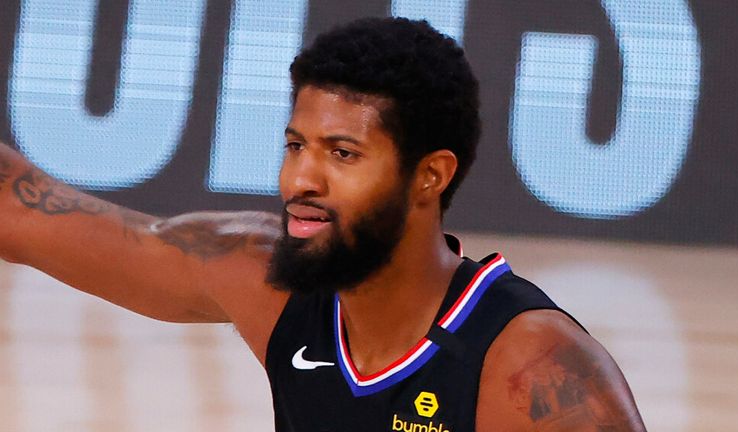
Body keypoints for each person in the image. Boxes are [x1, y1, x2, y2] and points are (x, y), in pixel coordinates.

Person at [0, 17, 645, 431]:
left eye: (343, 154)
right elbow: (22, 210)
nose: (301, 181)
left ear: (431, 175)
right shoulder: (266, 280)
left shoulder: (533, 370)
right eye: (294, 145)